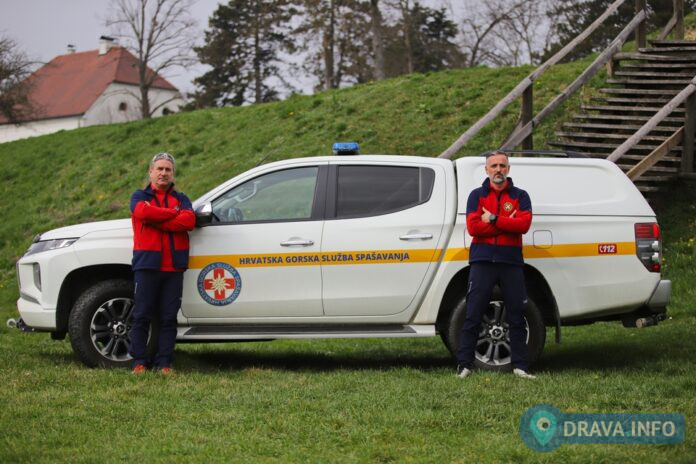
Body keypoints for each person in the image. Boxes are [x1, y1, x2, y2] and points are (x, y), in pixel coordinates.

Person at [456, 151, 536, 380]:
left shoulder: (520, 196)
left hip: (511, 262)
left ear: (508, 169)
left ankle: (521, 366)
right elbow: (473, 228)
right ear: (487, 170)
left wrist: (492, 219)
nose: (498, 169)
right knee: (472, 313)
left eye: (502, 165)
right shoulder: (476, 195)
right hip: (482, 261)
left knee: (517, 314)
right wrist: (506, 224)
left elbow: (523, 225)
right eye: (494, 166)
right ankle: (464, 365)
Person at [128, 152, 195, 374]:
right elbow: (141, 212)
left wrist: (158, 220)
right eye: (160, 169)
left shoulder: (182, 198)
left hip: (173, 267)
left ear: (173, 173)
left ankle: (164, 363)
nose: (164, 173)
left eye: (168, 169)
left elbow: (189, 220)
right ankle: (139, 362)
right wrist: (170, 214)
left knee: (168, 318)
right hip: (147, 265)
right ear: (151, 171)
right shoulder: (139, 196)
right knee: (141, 316)